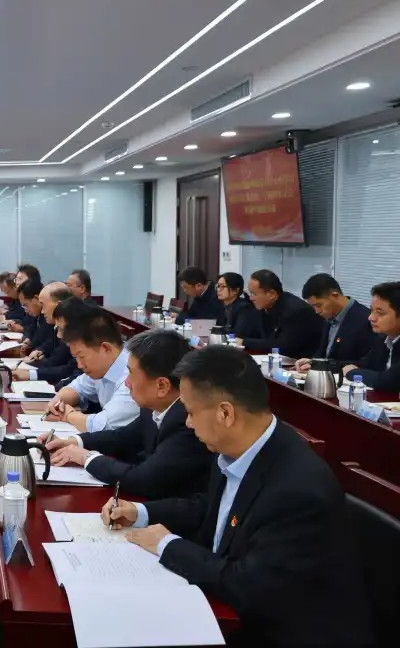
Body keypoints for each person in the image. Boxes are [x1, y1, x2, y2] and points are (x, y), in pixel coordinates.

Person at [104, 346, 374, 647]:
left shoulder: (297, 490)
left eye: (190, 412)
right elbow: (211, 509)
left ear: (225, 413)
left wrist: (167, 544)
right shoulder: (236, 448)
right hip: (232, 610)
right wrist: (141, 512)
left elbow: (246, 585)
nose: (187, 423)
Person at [45, 330, 212, 499]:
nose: (126, 382)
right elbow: (124, 436)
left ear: (162, 386)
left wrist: (86, 458)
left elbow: (145, 480)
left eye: (131, 373)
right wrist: (74, 442)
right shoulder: (153, 406)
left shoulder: (188, 421)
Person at [45, 310, 140, 432]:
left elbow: (105, 425)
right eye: (76, 358)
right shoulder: (100, 368)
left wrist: (68, 415)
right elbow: (77, 387)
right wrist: (58, 401)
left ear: (106, 348)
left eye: (82, 357)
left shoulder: (133, 374)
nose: (79, 365)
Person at [293, 274, 376, 372]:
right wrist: (312, 362)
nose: (317, 311)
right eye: (313, 306)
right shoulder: (329, 316)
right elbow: (324, 353)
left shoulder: (365, 320)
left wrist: (327, 365)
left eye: (319, 305)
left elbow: (368, 363)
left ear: (334, 295)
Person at [242, 269, 323, 358]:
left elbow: (281, 347)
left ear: (271, 294)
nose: (251, 298)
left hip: (301, 361)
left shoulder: (295, 311)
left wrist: (244, 342)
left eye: (254, 294)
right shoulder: (263, 307)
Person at [343, 281, 400, 392]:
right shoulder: (384, 339)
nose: (371, 318)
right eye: (372, 310)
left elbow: (388, 381)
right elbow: (364, 365)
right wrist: (322, 364)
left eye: (380, 312)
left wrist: (352, 372)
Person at [13, 281, 72, 381]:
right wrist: (42, 351)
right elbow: (50, 347)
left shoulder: (75, 328)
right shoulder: (58, 324)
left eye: (43, 305)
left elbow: (61, 364)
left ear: (58, 305)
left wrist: (30, 371)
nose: (42, 311)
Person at [216, 272, 263, 340]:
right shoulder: (222, 307)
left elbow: (238, 334)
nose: (218, 290)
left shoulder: (244, 308)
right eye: (218, 286)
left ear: (235, 290)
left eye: (222, 286)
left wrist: (223, 337)